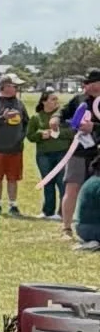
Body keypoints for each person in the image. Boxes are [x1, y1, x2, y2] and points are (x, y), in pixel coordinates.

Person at [61, 71, 100, 238]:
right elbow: (63, 116)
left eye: (94, 82)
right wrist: (57, 121)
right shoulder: (78, 100)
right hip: (79, 152)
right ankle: (66, 228)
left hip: (98, 154)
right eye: (88, 82)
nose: (90, 85)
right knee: (72, 188)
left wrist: (94, 127)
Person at [27, 90, 74, 222]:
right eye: (53, 99)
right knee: (47, 182)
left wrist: (58, 132)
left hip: (62, 153)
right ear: (44, 101)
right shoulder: (36, 118)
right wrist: (41, 135)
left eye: (56, 99)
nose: (56, 102)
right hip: (44, 155)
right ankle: (47, 212)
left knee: (62, 183)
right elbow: (30, 136)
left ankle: (62, 212)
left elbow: (72, 132)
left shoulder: (63, 117)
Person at [0, 77, 29, 218]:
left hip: (16, 149)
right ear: (5, 86)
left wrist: (21, 136)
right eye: (15, 86)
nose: (17, 89)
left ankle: (13, 205)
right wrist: (3, 118)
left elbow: (26, 122)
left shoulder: (19, 103)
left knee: (13, 178)